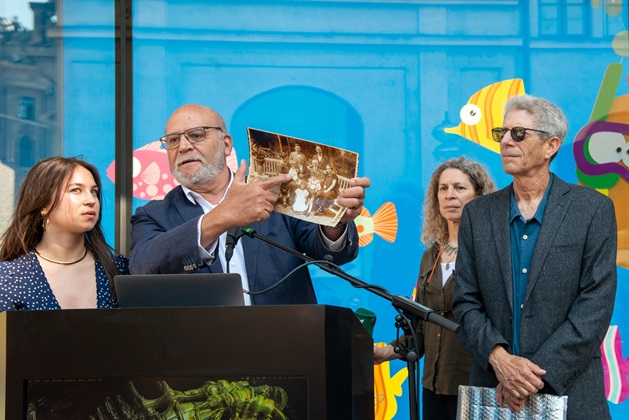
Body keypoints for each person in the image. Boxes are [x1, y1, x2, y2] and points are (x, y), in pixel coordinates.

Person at [452, 95, 617, 419]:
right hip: (494, 393)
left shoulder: (592, 210)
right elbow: (465, 302)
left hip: (571, 392)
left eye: (519, 133)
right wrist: (499, 360)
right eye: (503, 133)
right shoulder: (477, 214)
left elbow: (594, 307)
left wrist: (529, 377)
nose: (506, 142)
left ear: (551, 145)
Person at [129, 104, 371, 305]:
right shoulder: (153, 215)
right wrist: (224, 215)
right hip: (203, 357)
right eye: (172, 140)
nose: (183, 146)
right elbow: (142, 267)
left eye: (196, 135)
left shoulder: (275, 191)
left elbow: (331, 254)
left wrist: (336, 220)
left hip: (288, 349)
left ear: (225, 144)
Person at [374, 157, 496, 420]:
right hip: (433, 385)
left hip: (476, 387)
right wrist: (387, 352)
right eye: (443, 188)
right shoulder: (430, 256)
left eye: (459, 188)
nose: (449, 195)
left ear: (479, 196)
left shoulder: (491, 253)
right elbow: (422, 324)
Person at [0, 157, 129, 310]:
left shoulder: (120, 271)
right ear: (43, 204)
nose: (90, 200)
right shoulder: (9, 278)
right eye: (75, 190)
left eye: (94, 191)